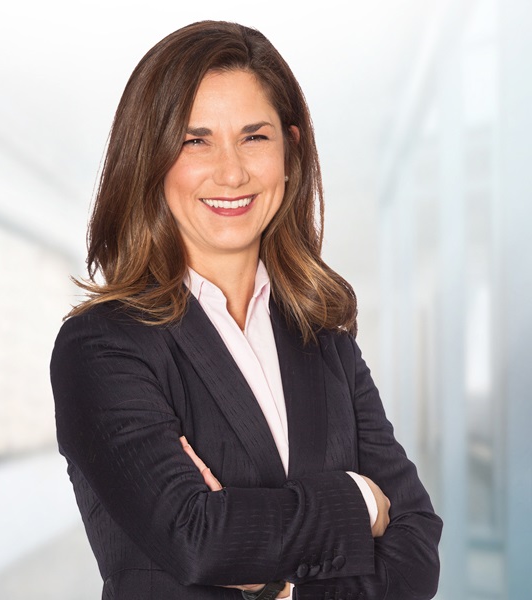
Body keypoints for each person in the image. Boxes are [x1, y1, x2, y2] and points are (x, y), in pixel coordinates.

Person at [50, 20, 442, 600]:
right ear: (150, 159)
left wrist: (283, 586)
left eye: (254, 137)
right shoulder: (102, 348)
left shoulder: (324, 339)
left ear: (290, 150)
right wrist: (359, 500)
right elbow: (197, 540)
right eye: (195, 141)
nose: (232, 172)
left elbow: (418, 554)